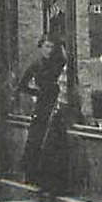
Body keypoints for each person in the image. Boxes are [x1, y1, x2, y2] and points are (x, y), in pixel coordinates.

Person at [15, 34, 67, 193]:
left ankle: (48, 179)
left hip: (56, 104)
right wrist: (37, 93)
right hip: (42, 106)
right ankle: (32, 175)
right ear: (40, 47)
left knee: (51, 141)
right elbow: (21, 86)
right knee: (36, 139)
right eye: (46, 47)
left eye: (52, 47)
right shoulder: (35, 65)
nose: (49, 51)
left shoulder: (59, 64)